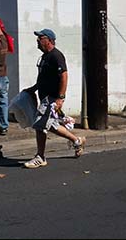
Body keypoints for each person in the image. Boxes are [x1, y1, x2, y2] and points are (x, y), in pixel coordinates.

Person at [23, 28, 86, 169]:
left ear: (49, 40)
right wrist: (33, 89)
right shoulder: (45, 57)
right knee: (51, 125)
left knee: (39, 125)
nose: (38, 41)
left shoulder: (56, 56)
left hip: (52, 98)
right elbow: (43, 78)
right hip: (45, 97)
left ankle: (40, 157)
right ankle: (77, 140)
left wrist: (60, 98)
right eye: (38, 38)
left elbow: (64, 76)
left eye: (41, 38)